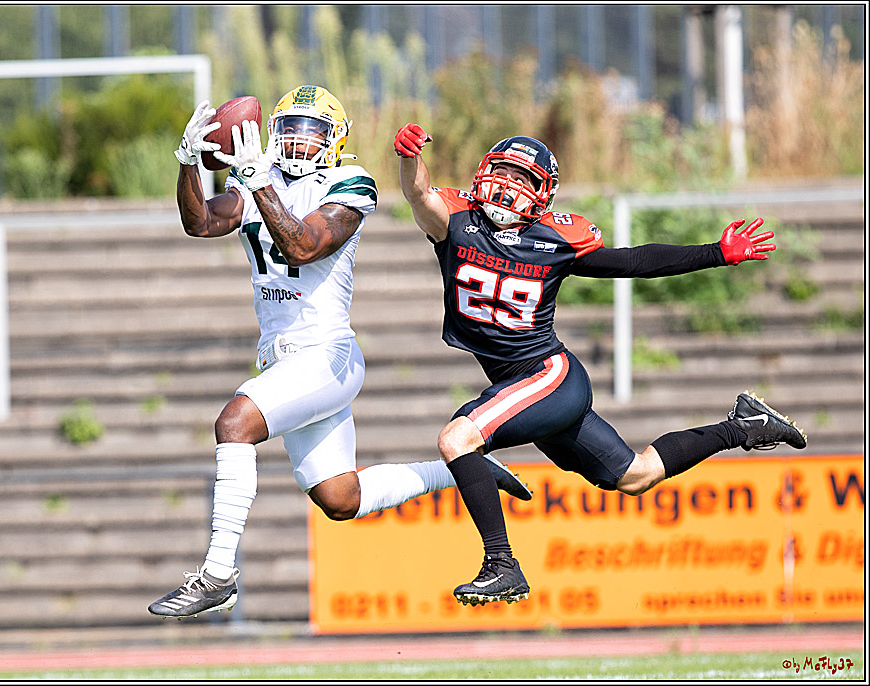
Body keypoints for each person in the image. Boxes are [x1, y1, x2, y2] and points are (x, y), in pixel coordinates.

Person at [147, 87, 532, 619]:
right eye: (290, 130)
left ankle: (217, 574)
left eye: (312, 131)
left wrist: (260, 184)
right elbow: (201, 222)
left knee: (234, 423)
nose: (299, 143)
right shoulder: (256, 178)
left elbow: (304, 244)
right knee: (340, 500)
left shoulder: (351, 185)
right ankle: (469, 472)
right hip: (283, 360)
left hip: (327, 355)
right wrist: (190, 166)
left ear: (336, 139)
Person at [393, 123, 808, 606]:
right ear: (482, 172)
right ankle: (743, 427)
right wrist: (407, 156)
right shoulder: (456, 222)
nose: (507, 184)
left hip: (547, 378)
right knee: (636, 475)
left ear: (541, 195)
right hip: (523, 389)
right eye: (501, 171)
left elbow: (634, 261)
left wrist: (716, 253)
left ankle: (502, 564)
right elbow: (419, 191)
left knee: (457, 437)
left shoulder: (556, 242)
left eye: (520, 178)